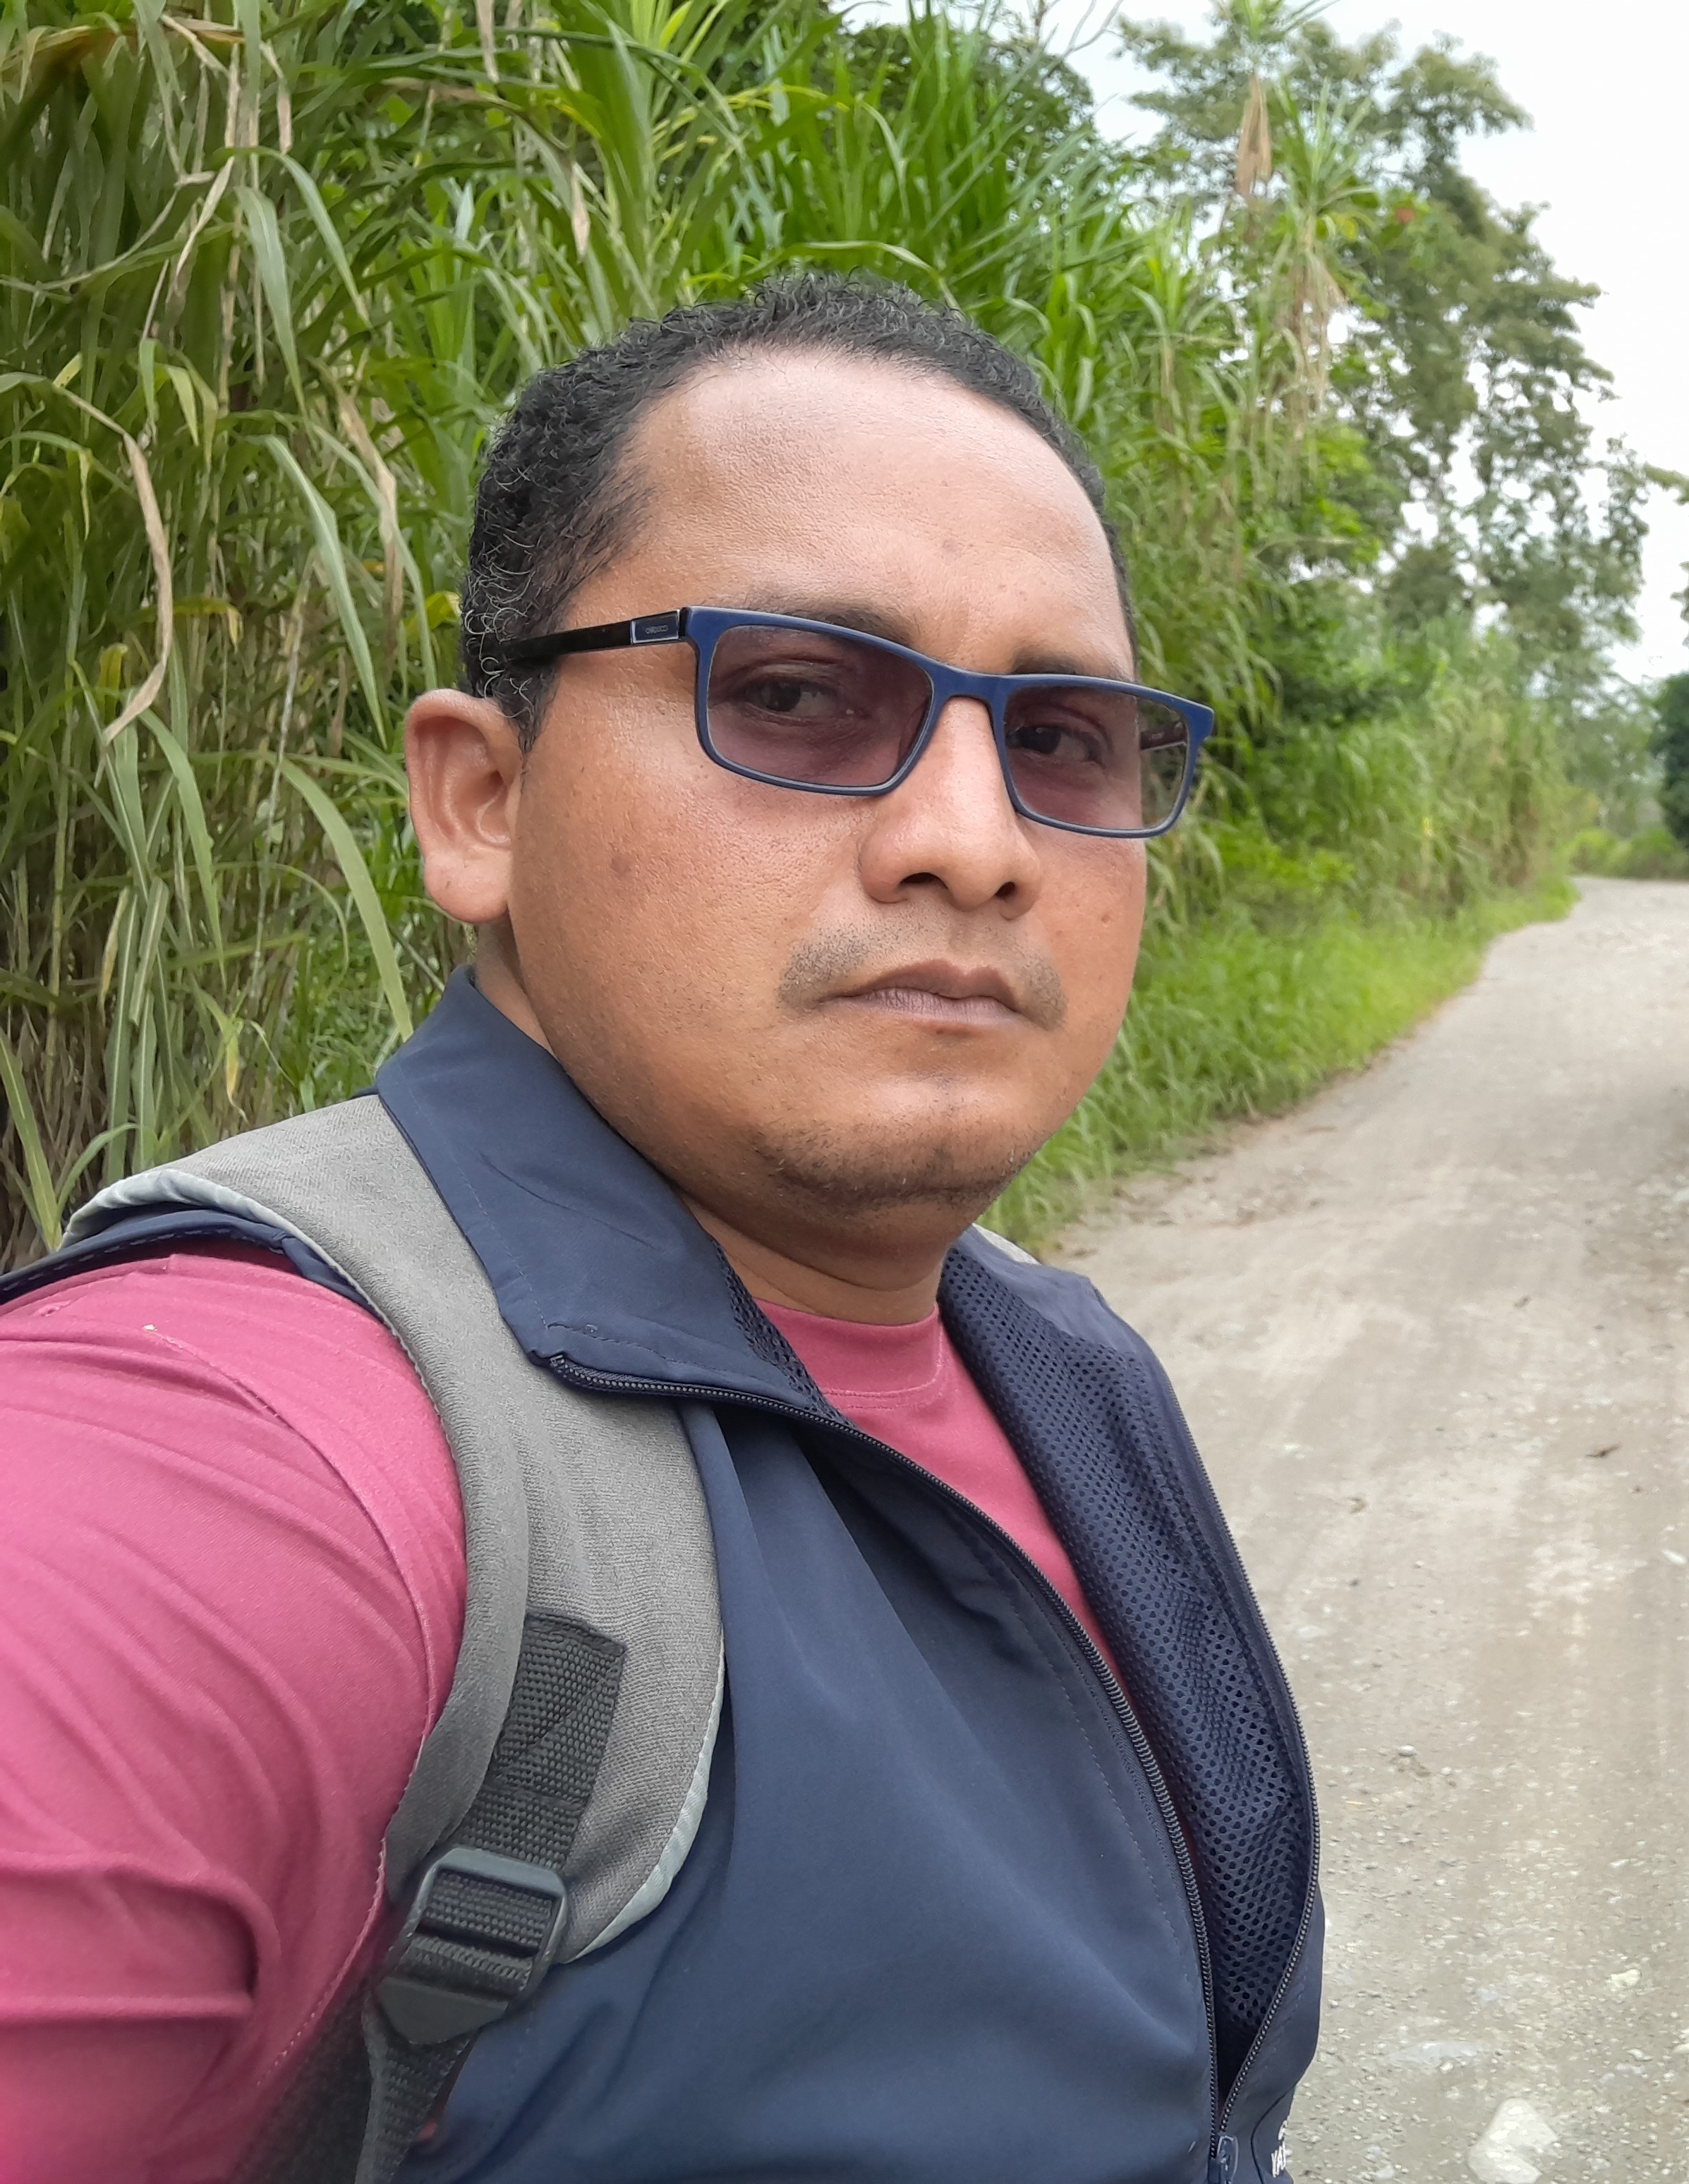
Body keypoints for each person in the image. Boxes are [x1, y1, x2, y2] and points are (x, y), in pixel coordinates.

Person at [0, 275, 1319, 2184]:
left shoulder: (1066, 1365)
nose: (976, 842)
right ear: (480, 802)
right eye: (792, 696)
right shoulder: (239, 1449)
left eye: (1063, 740)